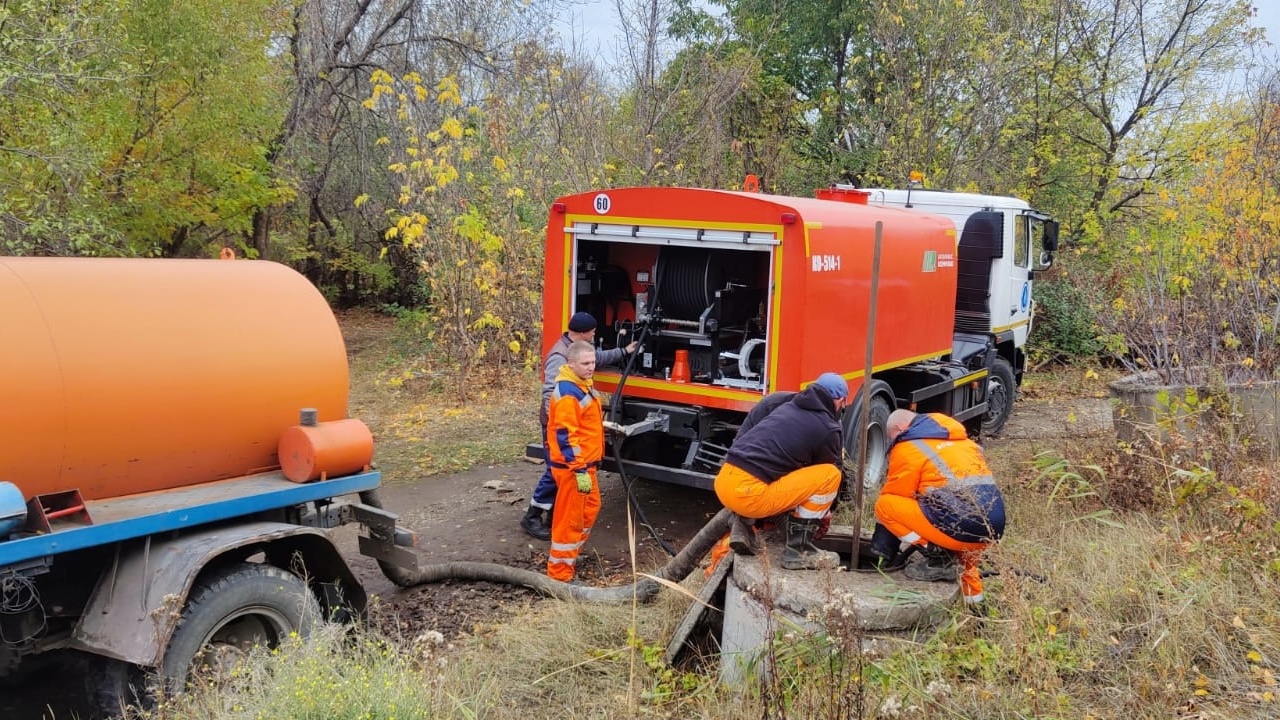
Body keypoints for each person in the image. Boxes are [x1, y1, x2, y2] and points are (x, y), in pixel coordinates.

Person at [869, 409, 1006, 608]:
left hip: (959, 527)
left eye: (893, 438)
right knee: (967, 564)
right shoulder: (965, 443)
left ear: (899, 429)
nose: (895, 443)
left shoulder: (909, 446)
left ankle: (940, 557)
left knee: (885, 504)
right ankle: (977, 613)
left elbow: (896, 494)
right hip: (991, 528)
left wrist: (884, 545)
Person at [712, 373, 850, 570]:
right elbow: (825, 474)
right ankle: (799, 551)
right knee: (830, 475)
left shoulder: (787, 406)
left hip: (724, 479)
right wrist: (824, 513)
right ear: (841, 400)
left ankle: (746, 525)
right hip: (749, 495)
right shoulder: (828, 427)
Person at [520, 312, 637, 540]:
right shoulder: (559, 356)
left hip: (565, 424)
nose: (594, 336)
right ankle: (532, 517)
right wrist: (560, 423)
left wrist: (624, 351)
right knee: (556, 472)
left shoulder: (577, 351)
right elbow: (550, 394)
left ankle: (554, 516)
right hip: (557, 425)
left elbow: (597, 358)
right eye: (592, 333)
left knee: (561, 475)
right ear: (583, 333)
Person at [544, 340, 604, 582]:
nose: (591, 367)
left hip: (584, 467)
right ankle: (559, 575)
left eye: (593, 362)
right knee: (570, 519)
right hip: (575, 470)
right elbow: (566, 436)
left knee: (590, 508)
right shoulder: (569, 393)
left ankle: (571, 556)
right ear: (571, 364)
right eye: (586, 363)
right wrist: (579, 468)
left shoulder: (581, 385)